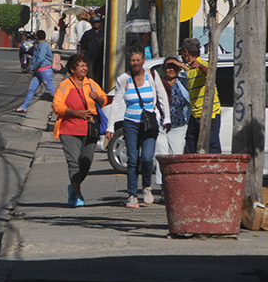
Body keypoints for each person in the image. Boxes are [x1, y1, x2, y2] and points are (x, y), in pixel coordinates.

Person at [107, 44, 170, 208]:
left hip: (149, 124)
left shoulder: (152, 76)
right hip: (131, 123)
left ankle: (147, 187)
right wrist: (110, 127)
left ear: (143, 60)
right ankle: (132, 194)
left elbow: (162, 97)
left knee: (147, 158)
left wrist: (167, 118)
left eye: (137, 60)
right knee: (133, 159)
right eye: (132, 60)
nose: (135, 63)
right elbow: (116, 103)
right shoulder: (123, 79)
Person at [52, 53, 107, 207]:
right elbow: (57, 106)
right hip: (68, 129)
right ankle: (78, 195)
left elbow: (103, 100)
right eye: (81, 65)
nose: (85, 68)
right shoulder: (64, 86)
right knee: (74, 163)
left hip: (89, 129)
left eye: (85, 65)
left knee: (86, 162)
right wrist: (75, 113)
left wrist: (98, 98)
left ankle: (73, 185)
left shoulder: (91, 84)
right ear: (72, 69)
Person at [153, 56, 191, 186]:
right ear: (163, 69)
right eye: (168, 67)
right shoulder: (158, 83)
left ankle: (174, 185)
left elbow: (192, 75)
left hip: (179, 127)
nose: (171, 69)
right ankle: (163, 185)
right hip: (161, 127)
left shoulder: (183, 83)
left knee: (176, 157)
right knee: (161, 155)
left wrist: (180, 64)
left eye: (174, 67)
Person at [180, 37, 222, 154]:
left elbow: (209, 73)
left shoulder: (201, 64)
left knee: (212, 143)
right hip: (195, 114)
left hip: (210, 113)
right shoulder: (190, 68)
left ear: (186, 52)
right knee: (190, 142)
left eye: (183, 52)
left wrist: (200, 67)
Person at [15, 29, 55, 112]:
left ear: (37, 37)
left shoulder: (43, 46)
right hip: (38, 71)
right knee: (31, 89)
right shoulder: (40, 45)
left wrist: (32, 68)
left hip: (44, 71)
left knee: (51, 90)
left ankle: (64, 104)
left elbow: (40, 59)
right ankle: (24, 106)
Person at [78, 15, 104, 81]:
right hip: (90, 58)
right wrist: (80, 56)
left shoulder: (104, 33)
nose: (96, 24)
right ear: (92, 23)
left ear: (100, 23)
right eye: (95, 22)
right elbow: (83, 46)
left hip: (101, 58)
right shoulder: (87, 33)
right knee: (90, 76)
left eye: (98, 22)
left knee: (99, 76)